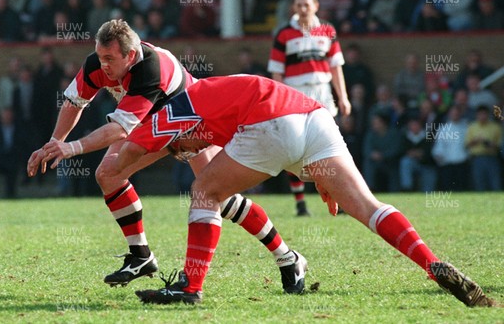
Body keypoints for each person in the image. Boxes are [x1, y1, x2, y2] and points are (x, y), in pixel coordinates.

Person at [99, 74, 495, 307]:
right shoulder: (213, 98)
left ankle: (192, 286)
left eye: (180, 148)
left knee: (204, 191)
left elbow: (132, 149)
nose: (186, 152)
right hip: (313, 117)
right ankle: (432, 264)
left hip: (273, 124)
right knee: (367, 206)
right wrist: (317, 176)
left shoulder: (175, 107)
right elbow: (289, 147)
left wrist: (80, 152)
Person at [27, 20, 306, 294]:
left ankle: (287, 258)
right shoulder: (97, 63)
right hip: (153, 124)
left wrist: (71, 148)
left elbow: (119, 128)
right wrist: (54, 143)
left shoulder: (149, 68)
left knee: (218, 197)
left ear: (131, 55)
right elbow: (74, 102)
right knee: (109, 173)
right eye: (100, 57)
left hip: (193, 120)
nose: (103, 65)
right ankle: (141, 255)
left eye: (109, 58)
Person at [268, 0, 351, 216]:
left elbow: (336, 67)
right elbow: (277, 73)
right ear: (293, 8)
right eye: (299, 5)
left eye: (307, 4)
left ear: (316, 6)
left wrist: (342, 97)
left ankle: (341, 199)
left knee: (331, 147)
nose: (303, 9)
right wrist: (281, 101)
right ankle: (301, 205)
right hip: (295, 95)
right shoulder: (283, 33)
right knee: (294, 150)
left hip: (323, 93)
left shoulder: (327, 30)